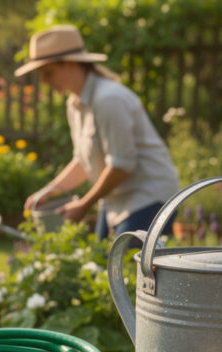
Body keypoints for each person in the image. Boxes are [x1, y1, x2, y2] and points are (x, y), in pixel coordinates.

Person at [15, 25, 179, 240]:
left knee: (126, 259)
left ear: (70, 63)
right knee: (100, 257)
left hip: (149, 196)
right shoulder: (75, 104)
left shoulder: (108, 99)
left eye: (48, 72)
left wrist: (84, 205)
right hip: (117, 198)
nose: (44, 81)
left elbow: (122, 166)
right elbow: (82, 161)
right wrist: (48, 191)